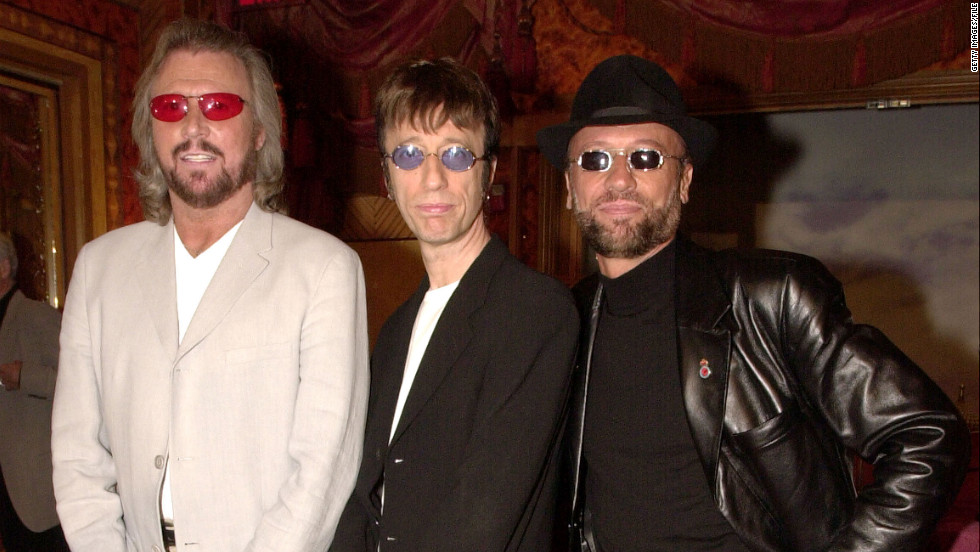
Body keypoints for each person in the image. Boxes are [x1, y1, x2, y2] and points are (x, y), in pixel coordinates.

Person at [535, 54, 971, 552]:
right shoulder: (560, 325)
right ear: (570, 187)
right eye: (595, 159)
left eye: (646, 157)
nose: (618, 179)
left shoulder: (772, 298)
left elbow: (928, 434)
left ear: (684, 181)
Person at [50, 19, 369, 552]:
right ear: (150, 130)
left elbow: (321, 472)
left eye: (219, 106)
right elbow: (77, 459)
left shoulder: (323, 270)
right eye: (171, 107)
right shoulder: (98, 269)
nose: (193, 126)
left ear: (262, 130)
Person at [330, 58, 579, 552]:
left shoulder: (535, 310)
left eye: (456, 155)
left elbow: (481, 517)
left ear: (489, 173)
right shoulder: (397, 328)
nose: (432, 179)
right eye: (408, 154)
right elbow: (363, 500)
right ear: (386, 175)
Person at [0, 234, 69, 552]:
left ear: (4, 268)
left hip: (30, 490)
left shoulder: (34, 316)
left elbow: (77, 382)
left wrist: (24, 376)